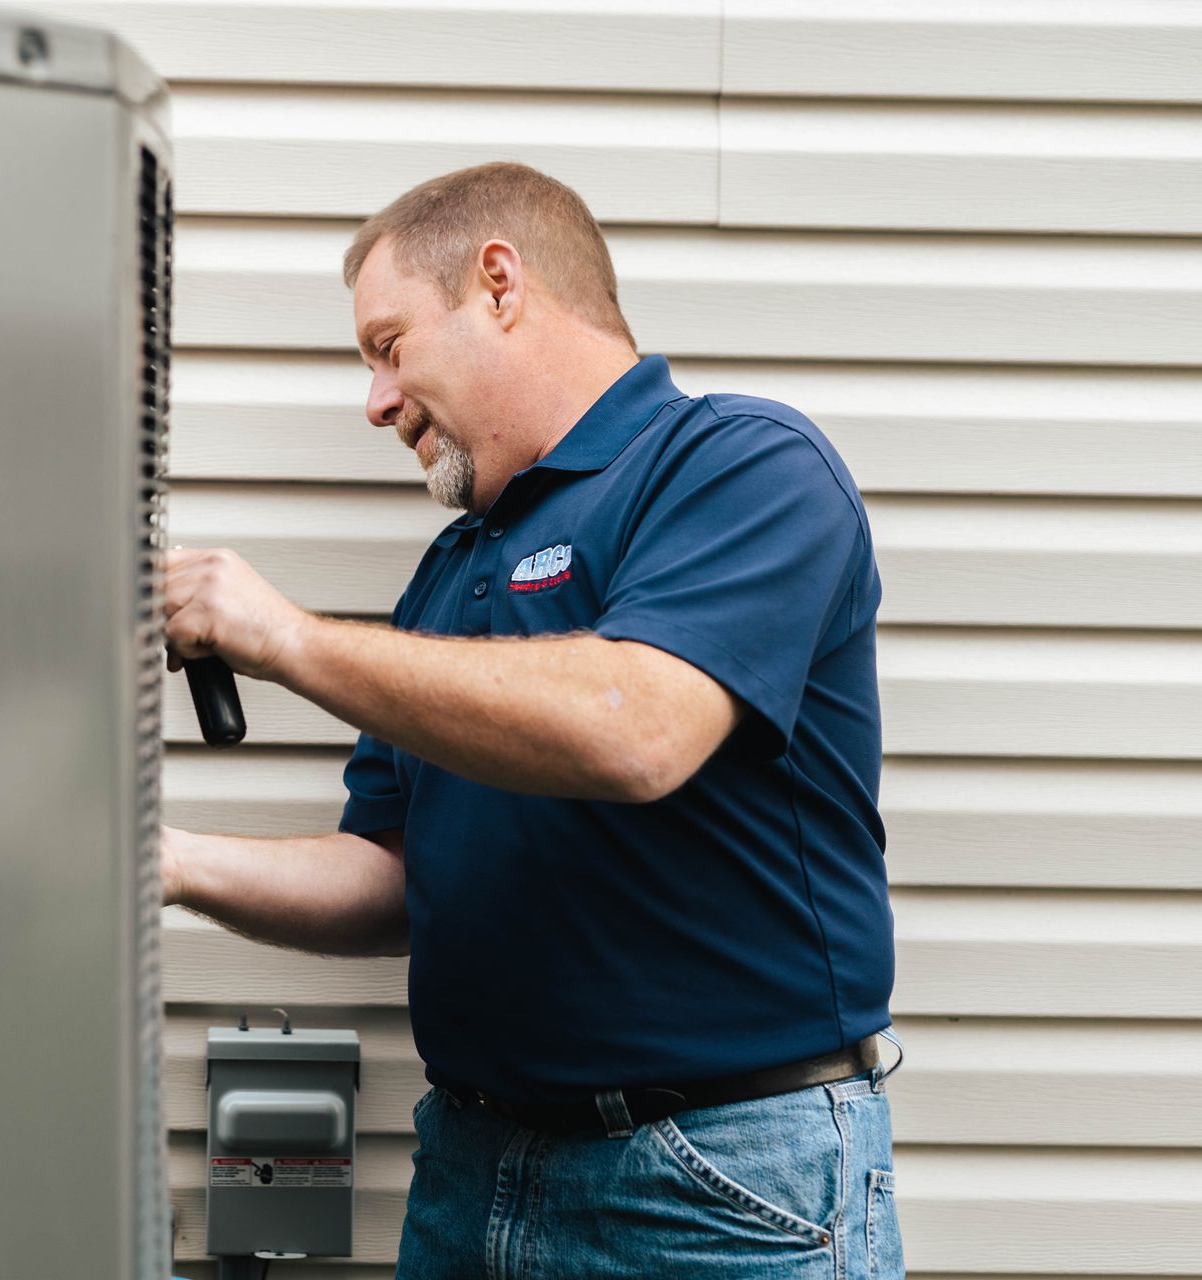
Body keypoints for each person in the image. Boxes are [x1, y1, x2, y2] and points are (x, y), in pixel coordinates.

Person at [160, 162, 902, 1279]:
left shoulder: (740, 465)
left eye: (388, 345)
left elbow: (635, 729)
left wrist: (283, 636)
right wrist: (163, 860)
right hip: (471, 1167)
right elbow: (395, 873)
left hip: (718, 1185)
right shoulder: (454, 567)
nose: (376, 402)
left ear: (500, 285)